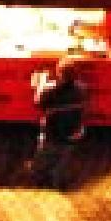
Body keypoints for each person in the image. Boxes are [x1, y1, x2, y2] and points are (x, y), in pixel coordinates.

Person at [29, 57, 89, 189]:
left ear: (59, 73)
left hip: (53, 131)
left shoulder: (52, 91)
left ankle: (37, 175)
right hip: (74, 131)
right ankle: (55, 180)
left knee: (45, 153)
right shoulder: (81, 89)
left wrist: (40, 83)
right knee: (62, 158)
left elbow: (38, 102)